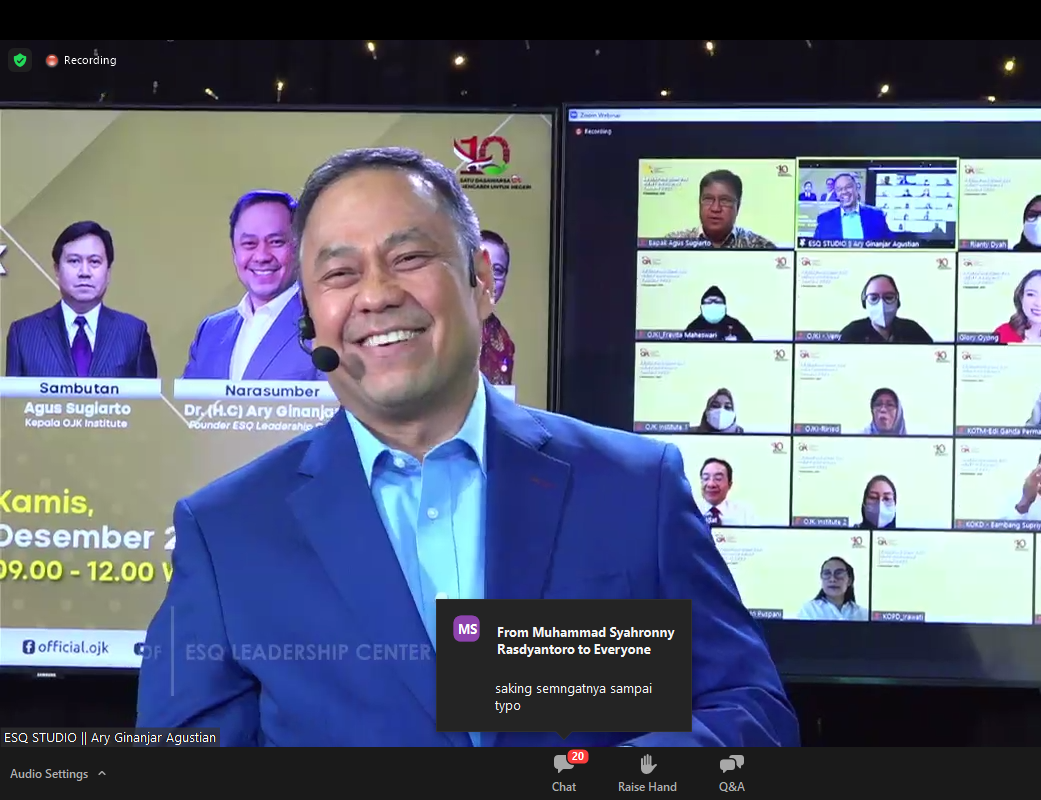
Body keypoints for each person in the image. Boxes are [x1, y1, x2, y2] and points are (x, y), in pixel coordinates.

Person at [137, 147, 797, 748]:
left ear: (481, 279)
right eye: (338, 273)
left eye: (409, 258)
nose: (377, 295)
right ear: (310, 318)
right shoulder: (227, 531)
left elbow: (748, 714)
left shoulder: (634, 486)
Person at [181, 190, 321, 381]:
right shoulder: (211, 331)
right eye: (249, 244)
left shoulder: (322, 324)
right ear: (234, 252)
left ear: (299, 248)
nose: (262, 256)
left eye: (276, 242)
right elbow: (189, 400)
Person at [5, 221, 158, 379]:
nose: (84, 272)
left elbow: (147, 395)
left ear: (108, 272)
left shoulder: (134, 333)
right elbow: (13, 395)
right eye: (74, 261)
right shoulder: (23, 334)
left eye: (94, 262)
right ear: (57, 270)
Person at [665, 169, 776, 249]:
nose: (715, 208)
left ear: (738, 206)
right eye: (708, 199)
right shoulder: (673, 243)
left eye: (725, 200)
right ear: (699, 202)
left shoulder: (761, 247)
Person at [838, 274, 932, 343]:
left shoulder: (914, 331)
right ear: (864, 303)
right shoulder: (851, 333)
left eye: (889, 297)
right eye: (873, 298)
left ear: (897, 302)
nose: (881, 304)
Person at [477, 229, 515, 385]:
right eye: (480, 267)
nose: (489, 278)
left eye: (498, 270)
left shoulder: (503, 341)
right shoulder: (439, 326)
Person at [812, 173, 892, 242]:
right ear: (836, 194)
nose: (844, 192)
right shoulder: (824, 220)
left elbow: (890, 246)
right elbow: (816, 248)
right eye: (839, 189)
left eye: (848, 187)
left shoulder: (877, 216)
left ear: (856, 189)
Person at [796, 557, 868, 621]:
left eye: (839, 573)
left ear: (849, 580)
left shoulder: (863, 614)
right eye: (827, 573)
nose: (832, 579)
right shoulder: (809, 610)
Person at [696, 457, 759, 526]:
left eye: (718, 478)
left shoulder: (744, 514)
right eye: (706, 478)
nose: (711, 484)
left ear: (729, 484)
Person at [684, 285, 753, 342]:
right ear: (702, 307)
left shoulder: (735, 325)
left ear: (725, 307)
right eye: (709, 302)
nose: (713, 304)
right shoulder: (693, 327)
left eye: (718, 302)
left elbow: (749, 345)